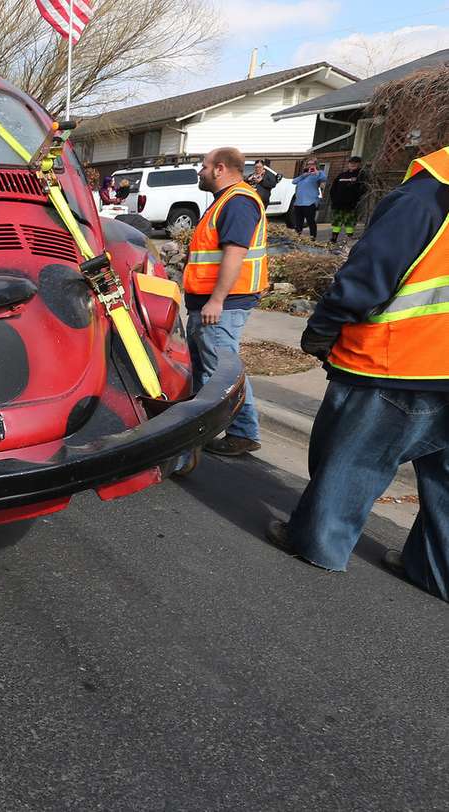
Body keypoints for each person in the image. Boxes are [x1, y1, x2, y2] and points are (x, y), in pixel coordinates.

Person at [266, 145, 449, 603]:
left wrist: (323, 327)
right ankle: (433, 569)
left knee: (353, 460)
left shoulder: (425, 197)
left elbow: (369, 274)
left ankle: (318, 544)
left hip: (400, 365)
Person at [184, 147, 267, 456]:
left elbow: (235, 254)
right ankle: (213, 429)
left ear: (220, 169)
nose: (200, 171)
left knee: (221, 372)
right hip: (210, 302)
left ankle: (242, 432)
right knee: (211, 370)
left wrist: (216, 300)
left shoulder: (238, 202)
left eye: (203, 166)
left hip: (223, 304)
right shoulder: (226, 201)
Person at [328, 156, 366, 244]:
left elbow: (363, 189)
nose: (352, 164)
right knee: (336, 222)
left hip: (351, 205)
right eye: (351, 163)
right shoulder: (341, 175)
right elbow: (333, 188)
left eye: (355, 163)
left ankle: (348, 240)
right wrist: (334, 199)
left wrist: (355, 198)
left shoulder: (361, 175)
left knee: (350, 223)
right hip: (338, 204)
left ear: (359, 164)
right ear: (348, 164)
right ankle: (333, 239)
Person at [291, 158, 327, 238]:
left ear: (316, 165)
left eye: (312, 164)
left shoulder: (319, 173)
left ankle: (312, 237)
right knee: (298, 222)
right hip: (299, 202)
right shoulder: (304, 175)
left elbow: (324, 178)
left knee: (310, 221)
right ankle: (297, 236)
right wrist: (304, 175)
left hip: (310, 202)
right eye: (308, 164)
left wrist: (316, 172)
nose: (310, 165)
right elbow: (294, 181)